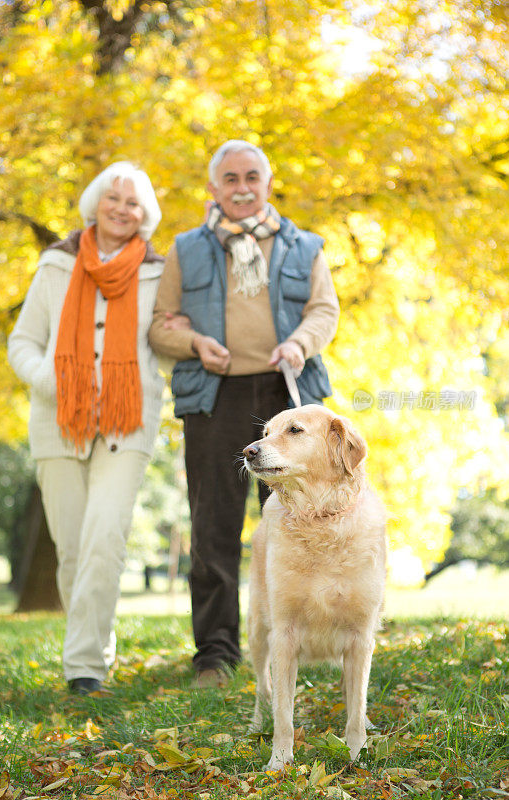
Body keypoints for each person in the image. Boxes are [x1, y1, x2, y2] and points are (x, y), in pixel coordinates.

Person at [148, 140, 340, 688]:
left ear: (268, 183)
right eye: (229, 179)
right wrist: (195, 344)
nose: (241, 187)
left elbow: (325, 309)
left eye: (251, 177)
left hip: (288, 393)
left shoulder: (305, 246)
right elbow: (162, 322)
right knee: (214, 526)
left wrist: (301, 343)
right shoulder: (188, 248)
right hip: (215, 396)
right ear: (213, 189)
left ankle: (298, 642)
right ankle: (215, 653)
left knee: (297, 524)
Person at [8, 162, 178, 695]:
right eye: (114, 198)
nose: (122, 208)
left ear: (145, 214)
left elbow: (169, 346)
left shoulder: (158, 271)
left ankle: (84, 667)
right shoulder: (56, 264)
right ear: (95, 202)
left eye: (134, 202)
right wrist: (50, 379)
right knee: (74, 550)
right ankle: (90, 645)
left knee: (105, 537)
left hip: (127, 424)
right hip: (57, 421)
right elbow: (23, 343)